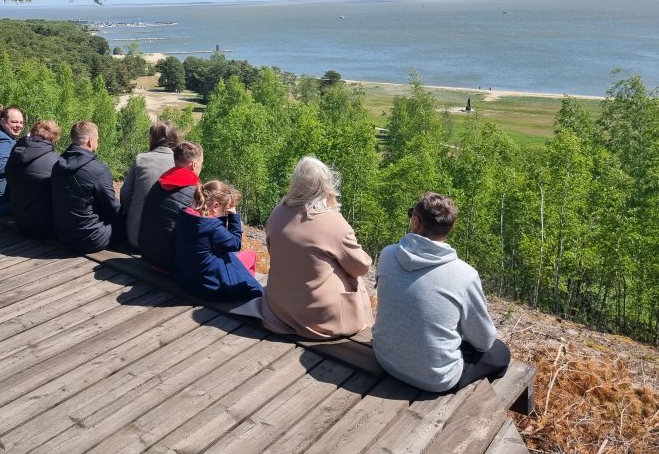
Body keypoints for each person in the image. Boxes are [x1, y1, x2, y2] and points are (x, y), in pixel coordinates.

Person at [373, 192, 510, 393]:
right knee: (500, 353)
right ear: (452, 227)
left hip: (384, 359)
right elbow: (484, 341)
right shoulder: (465, 275)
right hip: (435, 379)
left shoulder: (387, 254)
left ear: (415, 222)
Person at [260, 157, 373, 339]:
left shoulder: (277, 212)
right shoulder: (333, 222)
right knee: (358, 283)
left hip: (280, 308)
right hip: (320, 320)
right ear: (326, 186)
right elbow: (361, 267)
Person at [173, 180, 263, 301]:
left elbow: (216, 239)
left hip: (187, 280)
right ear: (215, 206)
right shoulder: (212, 227)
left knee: (236, 261)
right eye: (225, 210)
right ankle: (245, 291)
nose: (225, 213)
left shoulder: (185, 215)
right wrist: (233, 216)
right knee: (251, 256)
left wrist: (222, 214)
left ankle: (243, 281)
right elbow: (235, 244)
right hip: (209, 288)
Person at [51, 121, 122, 253]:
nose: (97, 143)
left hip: (62, 235)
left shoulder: (57, 165)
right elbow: (112, 209)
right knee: (124, 222)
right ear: (90, 141)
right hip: (90, 239)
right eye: (97, 140)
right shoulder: (99, 170)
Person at [137, 141, 203, 272]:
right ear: (194, 165)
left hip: (147, 254)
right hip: (171, 263)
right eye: (201, 164)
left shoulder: (158, 184)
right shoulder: (194, 193)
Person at [120, 120, 179, 249]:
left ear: (152, 139)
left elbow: (125, 193)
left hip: (135, 236)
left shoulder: (140, 158)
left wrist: (134, 212)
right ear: (173, 138)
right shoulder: (179, 163)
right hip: (165, 242)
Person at [5, 119, 61, 238]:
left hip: (19, 221)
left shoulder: (15, 153)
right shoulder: (56, 162)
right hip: (44, 227)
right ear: (53, 140)